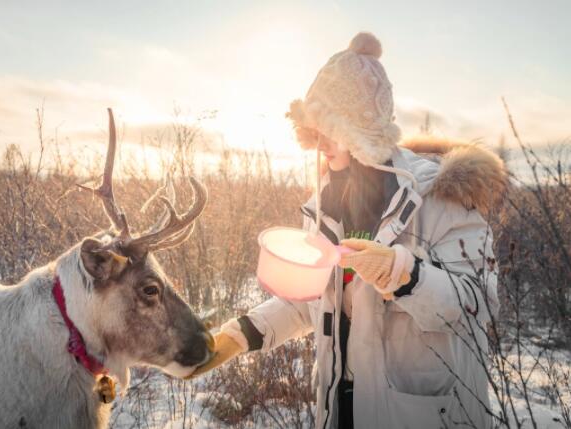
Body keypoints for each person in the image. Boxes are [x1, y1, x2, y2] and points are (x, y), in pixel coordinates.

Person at [189, 32, 507, 429]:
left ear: (361, 126)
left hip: (421, 414)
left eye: (329, 126)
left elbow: (478, 303)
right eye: (312, 128)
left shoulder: (439, 195)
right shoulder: (326, 200)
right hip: (341, 407)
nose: (319, 140)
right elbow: (315, 293)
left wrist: (403, 274)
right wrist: (242, 334)